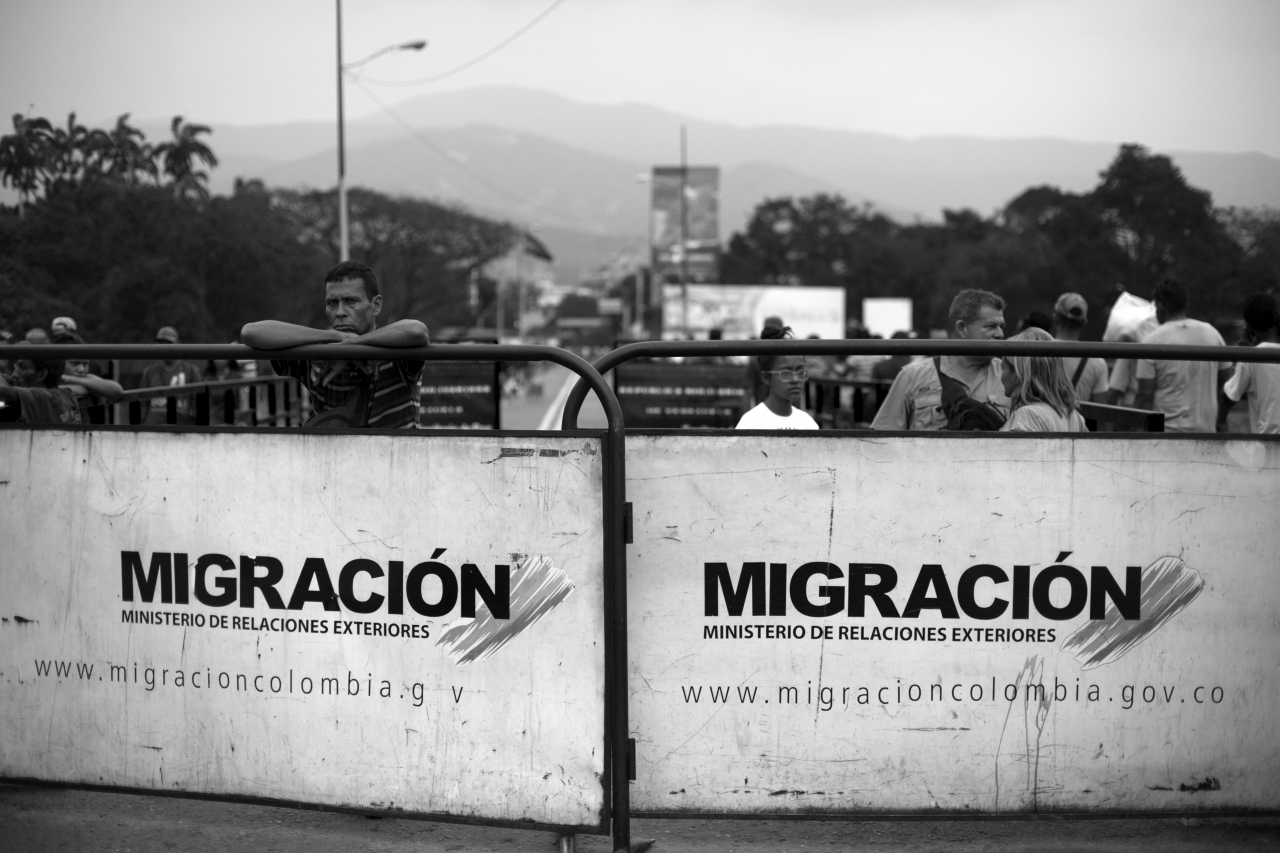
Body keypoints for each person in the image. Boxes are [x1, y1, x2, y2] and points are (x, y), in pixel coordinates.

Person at [241, 260, 429, 429]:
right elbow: (251, 332)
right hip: (335, 464)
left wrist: (351, 345)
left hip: (394, 462)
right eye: (332, 303)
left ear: (376, 305)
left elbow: (416, 331)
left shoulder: (395, 352)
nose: (340, 312)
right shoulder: (319, 355)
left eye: (350, 301)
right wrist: (334, 338)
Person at [871, 289, 1009, 431]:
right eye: (991, 326)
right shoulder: (912, 377)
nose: (1000, 334)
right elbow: (881, 442)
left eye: (1001, 326)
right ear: (962, 328)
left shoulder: (1012, 377)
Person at [1134, 277, 1233, 433]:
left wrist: (1137, 437)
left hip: (1167, 435)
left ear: (1160, 306)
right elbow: (1225, 387)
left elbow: (1145, 395)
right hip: (1207, 434)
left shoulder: (1152, 341)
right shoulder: (1212, 334)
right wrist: (1220, 424)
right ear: (1185, 304)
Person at [998, 327, 1088, 432]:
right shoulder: (1075, 417)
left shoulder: (1027, 416)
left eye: (1002, 368)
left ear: (1017, 374)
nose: (1001, 376)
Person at [735, 325, 818, 430]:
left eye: (800, 372)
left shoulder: (808, 423)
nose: (796, 379)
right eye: (786, 373)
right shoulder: (751, 423)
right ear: (766, 378)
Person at [1220, 292, 1280, 434]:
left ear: (1248, 328)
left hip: (1269, 447)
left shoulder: (1252, 359)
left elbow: (1227, 398)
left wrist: (1243, 355)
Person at [0, 343, 82, 425]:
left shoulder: (39, 397)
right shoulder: (68, 395)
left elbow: (2, 391)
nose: (14, 374)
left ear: (41, 375)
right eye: (16, 366)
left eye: (22, 367)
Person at [141, 326, 206, 425]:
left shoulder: (191, 371)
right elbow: (143, 406)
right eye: (161, 344)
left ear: (177, 344)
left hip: (182, 431)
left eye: (168, 343)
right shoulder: (149, 372)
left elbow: (200, 406)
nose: (164, 347)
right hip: (154, 431)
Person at [1051, 293, 1109, 404]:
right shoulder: (1097, 362)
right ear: (1084, 323)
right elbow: (1101, 411)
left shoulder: (1038, 353)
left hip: (1042, 420)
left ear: (1055, 316)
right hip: (1080, 421)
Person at [54, 331, 123, 417]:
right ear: (59, 362)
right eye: (75, 363)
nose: (81, 369)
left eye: (85, 364)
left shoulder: (87, 379)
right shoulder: (45, 379)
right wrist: (83, 389)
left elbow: (117, 390)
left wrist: (70, 379)